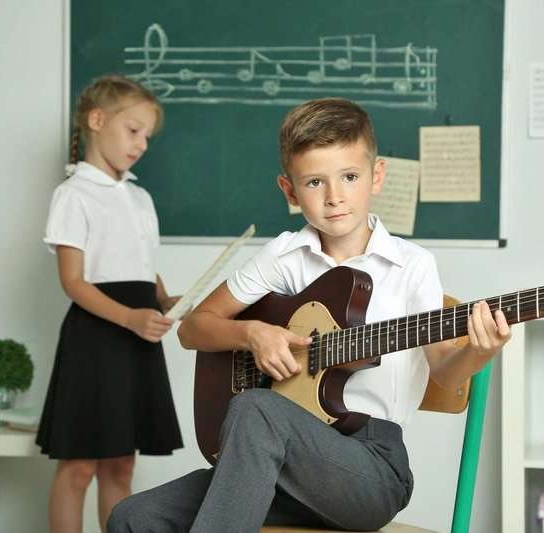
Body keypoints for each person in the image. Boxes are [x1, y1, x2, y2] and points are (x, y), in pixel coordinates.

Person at [108, 97, 510, 532]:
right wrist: (253, 334)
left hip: (370, 471)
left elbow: (448, 376)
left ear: (376, 177)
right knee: (133, 517)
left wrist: (480, 352)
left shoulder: (412, 265)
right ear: (289, 191)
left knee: (257, 409)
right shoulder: (285, 255)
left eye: (349, 177)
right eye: (315, 182)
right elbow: (194, 328)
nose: (334, 197)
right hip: (276, 468)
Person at [37, 75, 184, 533]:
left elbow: (141, 266)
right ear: (98, 121)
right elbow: (74, 282)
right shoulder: (73, 194)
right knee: (78, 466)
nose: (141, 144)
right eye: (133, 130)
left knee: (120, 465)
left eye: (146, 136)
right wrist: (130, 318)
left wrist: (163, 298)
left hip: (136, 335)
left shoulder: (140, 197)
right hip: (97, 336)